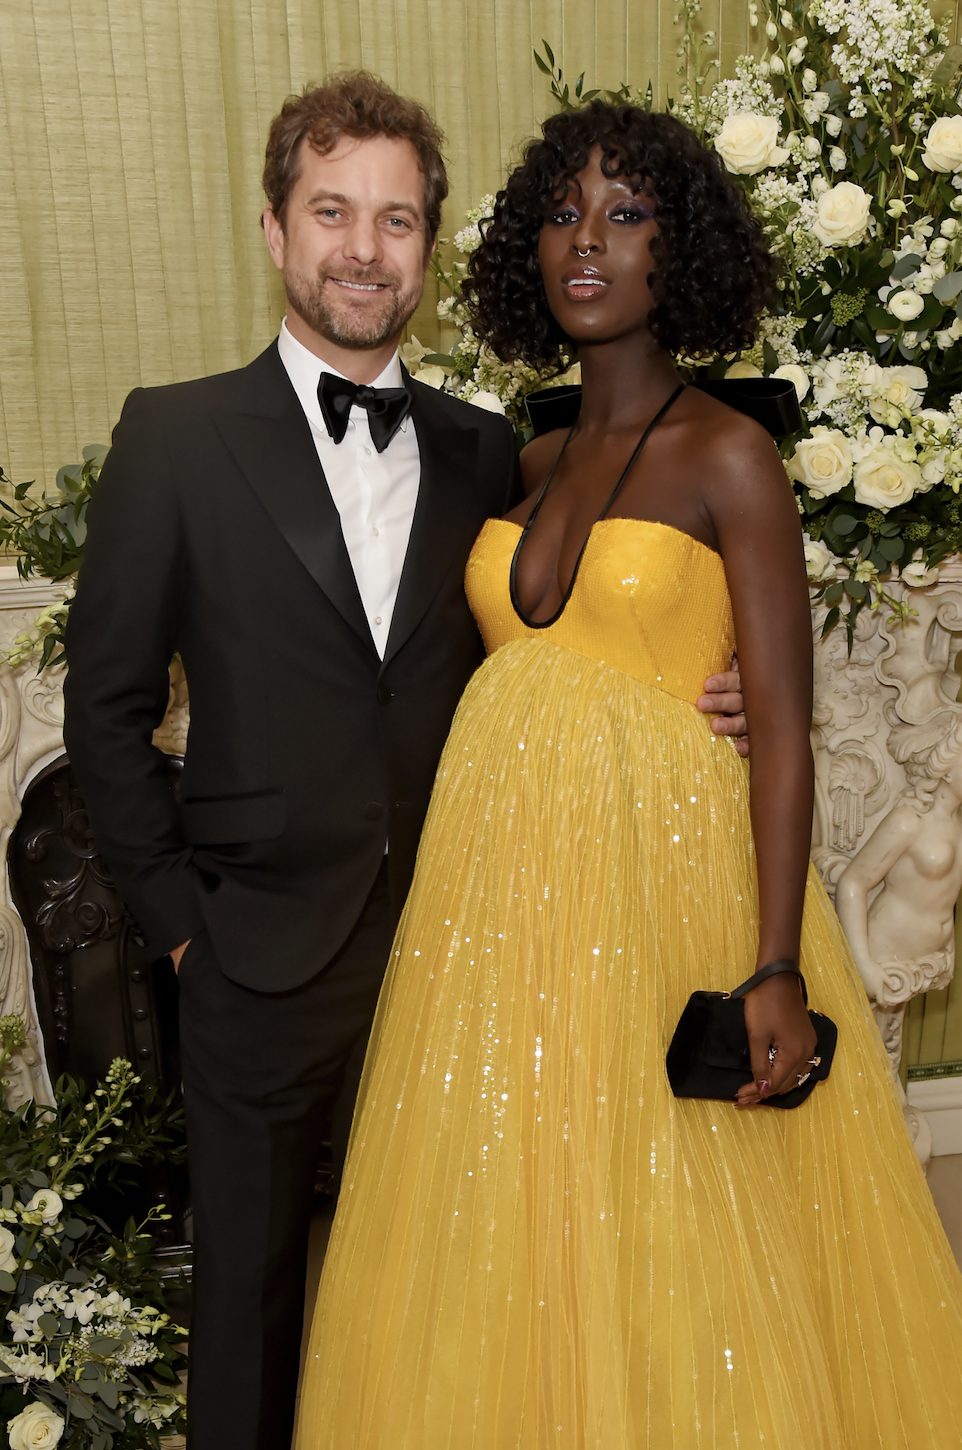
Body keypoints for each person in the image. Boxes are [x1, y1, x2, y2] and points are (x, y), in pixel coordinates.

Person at [61, 74, 749, 1450]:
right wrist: (186, 934)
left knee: (468, 1300)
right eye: (332, 212)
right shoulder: (175, 437)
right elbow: (106, 713)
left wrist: (690, 690)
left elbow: (544, 636)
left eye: (394, 218)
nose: (362, 249)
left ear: (429, 250)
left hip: (475, 942)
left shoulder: (489, 447)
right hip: (251, 955)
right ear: (272, 229)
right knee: (248, 1323)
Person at [296, 102, 962, 1447]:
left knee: (686, 1227)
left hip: (667, 894)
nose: (585, 242)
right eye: (558, 215)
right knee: (520, 1225)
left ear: (683, 248)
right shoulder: (524, 462)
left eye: (625, 214)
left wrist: (774, 962)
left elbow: (779, 723)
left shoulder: (729, 455)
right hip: (501, 920)